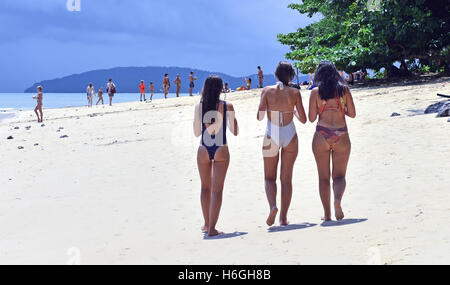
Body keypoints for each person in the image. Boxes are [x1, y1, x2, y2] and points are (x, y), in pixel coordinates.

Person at [257, 61, 307, 226]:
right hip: (290, 133)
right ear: (291, 75)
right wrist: (292, 112)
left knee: (269, 178)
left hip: (272, 132)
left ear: (276, 74)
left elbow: (259, 116)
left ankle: (272, 206)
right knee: (286, 179)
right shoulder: (294, 93)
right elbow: (304, 119)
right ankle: (283, 218)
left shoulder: (267, 91)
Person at [308, 61, 356, 221]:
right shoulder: (344, 90)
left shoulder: (315, 92)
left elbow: (311, 118)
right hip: (341, 133)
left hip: (322, 133)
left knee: (323, 178)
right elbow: (353, 114)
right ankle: (337, 200)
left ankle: (327, 214)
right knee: (339, 176)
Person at [193, 75, 239, 236]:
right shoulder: (227, 106)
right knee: (217, 191)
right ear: (221, 89)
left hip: (204, 148)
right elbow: (235, 131)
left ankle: (206, 224)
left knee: (205, 188)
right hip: (221, 147)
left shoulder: (200, 106)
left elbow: (196, 132)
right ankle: (212, 228)